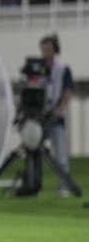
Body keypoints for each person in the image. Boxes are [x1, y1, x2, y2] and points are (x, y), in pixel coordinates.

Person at [40, 33, 74, 197]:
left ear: (55, 50)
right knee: (34, 152)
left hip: (56, 116)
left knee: (60, 153)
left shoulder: (63, 70)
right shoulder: (39, 70)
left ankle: (63, 186)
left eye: (48, 48)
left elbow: (67, 91)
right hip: (40, 116)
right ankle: (33, 186)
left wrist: (59, 109)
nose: (45, 52)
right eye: (43, 49)